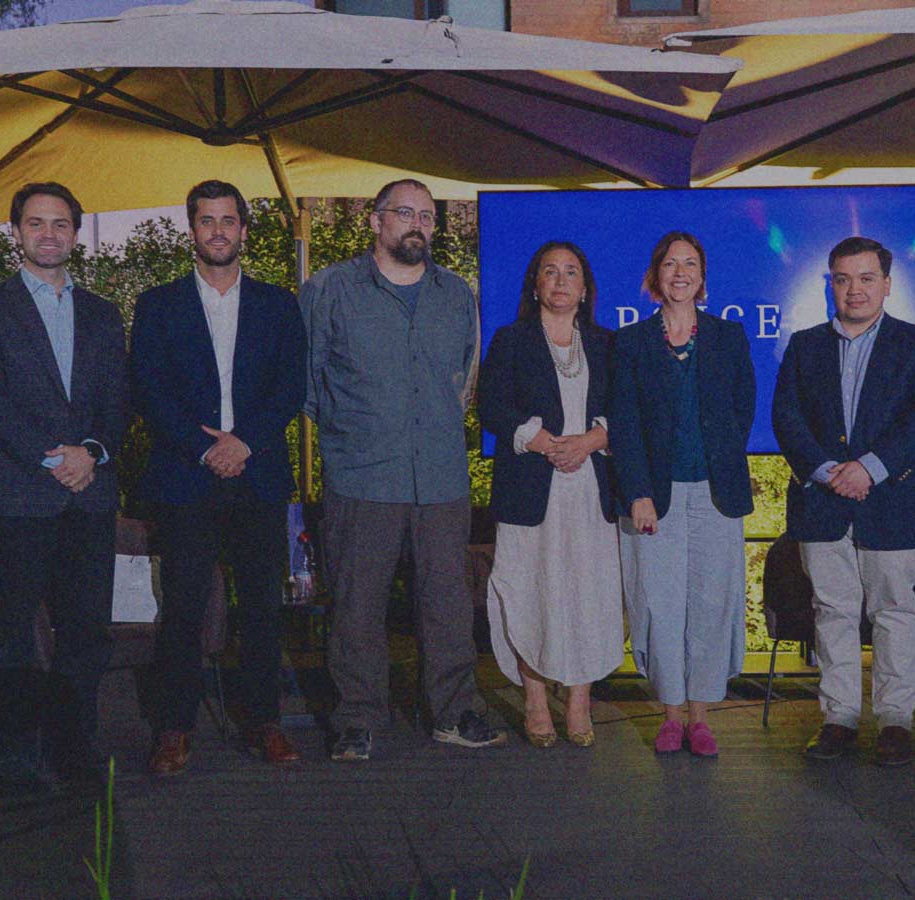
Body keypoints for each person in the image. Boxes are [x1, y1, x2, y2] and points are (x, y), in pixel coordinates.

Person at [299, 178, 504, 761]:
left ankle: (454, 711)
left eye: (428, 216)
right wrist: (354, 436)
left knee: (447, 604)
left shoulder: (455, 296)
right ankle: (358, 718)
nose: (418, 224)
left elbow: (462, 378)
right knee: (356, 606)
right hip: (363, 476)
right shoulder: (329, 291)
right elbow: (309, 386)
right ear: (375, 221)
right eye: (405, 213)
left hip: (439, 477)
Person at [129, 180, 307, 775]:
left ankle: (265, 722)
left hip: (258, 475)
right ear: (192, 231)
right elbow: (150, 393)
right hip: (186, 476)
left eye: (229, 220)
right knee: (181, 607)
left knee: (260, 606)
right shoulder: (158, 306)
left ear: (244, 231)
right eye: (207, 221)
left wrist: (245, 442)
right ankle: (174, 729)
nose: (219, 231)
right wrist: (208, 451)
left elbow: (291, 385)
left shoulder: (280, 305)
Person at [0, 182, 126, 791]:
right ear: (16, 232)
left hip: (89, 496)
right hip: (15, 498)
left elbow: (117, 405)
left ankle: (74, 749)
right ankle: (16, 756)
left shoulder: (105, 315)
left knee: (86, 635)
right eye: (36, 223)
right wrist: (52, 458)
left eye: (60, 224)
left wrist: (93, 455)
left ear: (76, 234)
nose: (49, 234)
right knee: (13, 638)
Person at [772, 236, 915, 766]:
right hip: (822, 504)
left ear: (887, 285)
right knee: (832, 612)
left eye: (866, 278)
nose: (854, 289)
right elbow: (787, 418)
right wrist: (827, 472)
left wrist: (869, 467)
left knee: (894, 612)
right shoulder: (804, 345)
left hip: (891, 499)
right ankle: (838, 718)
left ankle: (894, 721)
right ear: (830, 285)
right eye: (842, 279)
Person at [608, 231, 756, 758]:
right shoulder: (630, 344)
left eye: (690, 263)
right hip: (656, 498)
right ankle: (669, 713)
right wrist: (638, 492)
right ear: (655, 277)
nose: (680, 271)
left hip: (717, 494)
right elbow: (623, 425)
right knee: (660, 603)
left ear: (702, 277)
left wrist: (718, 460)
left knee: (711, 603)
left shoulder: (728, 337)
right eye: (670, 263)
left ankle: (701, 717)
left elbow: (742, 412)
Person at [477, 241, 622, 748]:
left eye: (571, 273)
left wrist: (591, 439)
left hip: (589, 491)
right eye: (550, 272)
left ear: (585, 290)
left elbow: (627, 412)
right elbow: (490, 406)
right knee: (528, 591)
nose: (560, 281)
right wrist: (537, 440)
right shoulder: (510, 340)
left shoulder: (608, 345)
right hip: (529, 490)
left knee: (588, 596)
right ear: (535, 285)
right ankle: (535, 700)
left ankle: (579, 701)